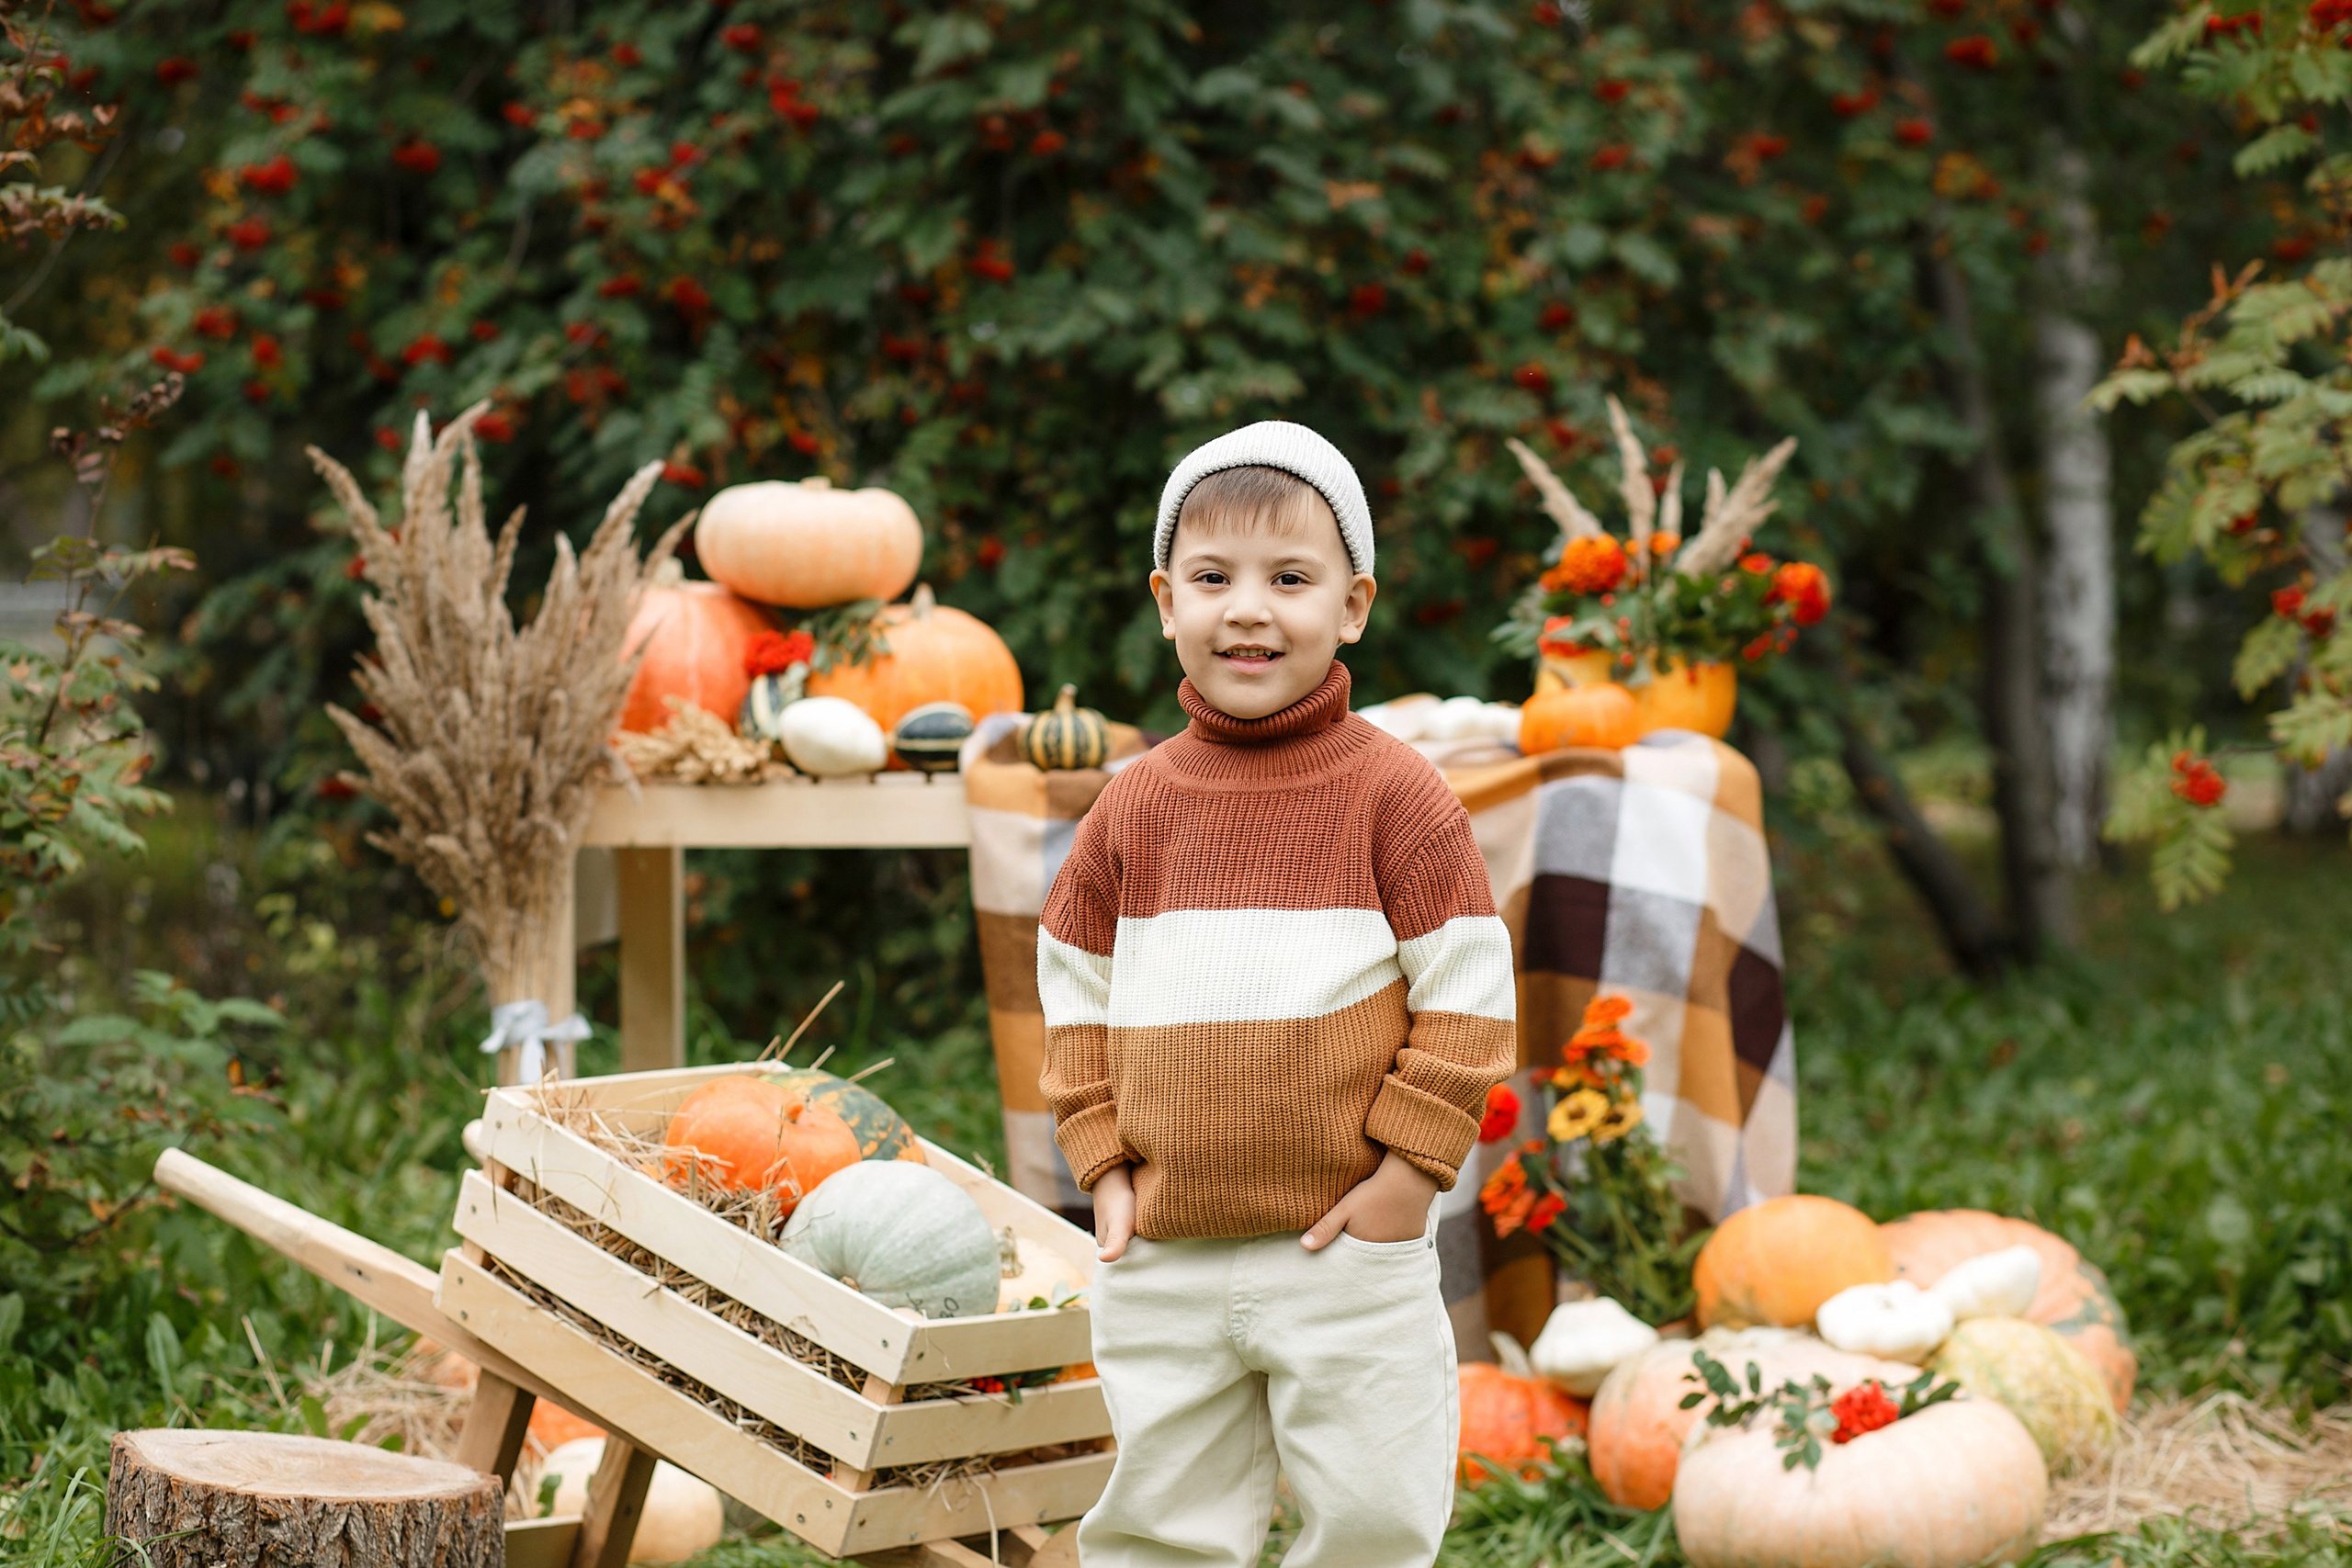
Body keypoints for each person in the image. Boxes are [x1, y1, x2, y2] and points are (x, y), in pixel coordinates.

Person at [1037, 422, 1518, 1567]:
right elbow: (1074, 990)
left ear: (1352, 605)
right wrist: (1100, 1161)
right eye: (1212, 579)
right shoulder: (1134, 806)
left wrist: (1408, 1175)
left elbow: (1466, 994)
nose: (1247, 610)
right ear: (1166, 602)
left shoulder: (1394, 795)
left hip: (1343, 1242)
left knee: (1374, 1512)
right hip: (1165, 1245)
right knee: (1161, 1517)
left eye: (1289, 580)